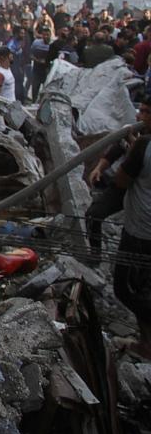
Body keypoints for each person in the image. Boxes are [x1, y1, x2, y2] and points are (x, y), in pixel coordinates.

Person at [113, 95, 151, 358]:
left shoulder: (143, 146)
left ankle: (147, 344)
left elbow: (121, 181)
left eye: (147, 113)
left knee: (127, 288)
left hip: (140, 230)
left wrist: (130, 151)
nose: (140, 117)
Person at [29, 26, 52, 101]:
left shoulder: (53, 45)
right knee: (35, 87)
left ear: (50, 35)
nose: (45, 37)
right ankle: (33, 101)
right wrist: (37, 60)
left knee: (47, 89)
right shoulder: (36, 43)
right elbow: (31, 54)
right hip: (37, 69)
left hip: (47, 70)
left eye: (47, 35)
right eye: (44, 35)